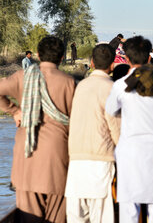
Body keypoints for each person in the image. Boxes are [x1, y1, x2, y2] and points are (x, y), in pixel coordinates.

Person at [0, 36, 75, 222]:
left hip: (27, 156)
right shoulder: (69, 82)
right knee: (56, 216)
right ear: (61, 58)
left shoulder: (23, 76)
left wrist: (14, 111)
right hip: (57, 156)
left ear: (37, 55)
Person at [105, 36, 153, 223]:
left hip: (129, 149)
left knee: (129, 206)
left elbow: (111, 109)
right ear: (148, 58)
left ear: (127, 59)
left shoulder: (121, 85)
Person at [65, 44, 120, 222]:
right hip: (100, 162)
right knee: (101, 216)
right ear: (112, 65)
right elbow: (117, 131)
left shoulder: (80, 86)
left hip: (76, 161)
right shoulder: (112, 89)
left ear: (91, 63)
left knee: (76, 216)